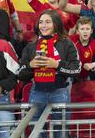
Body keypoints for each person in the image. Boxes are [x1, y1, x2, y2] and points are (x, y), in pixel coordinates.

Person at [18, 10, 81, 138]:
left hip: (60, 92)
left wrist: (57, 65)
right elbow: (20, 73)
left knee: (60, 130)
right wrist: (31, 66)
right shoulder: (31, 46)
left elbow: (76, 70)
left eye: (48, 22)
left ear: (56, 24)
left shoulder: (67, 43)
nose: (43, 25)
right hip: (37, 93)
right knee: (36, 129)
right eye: (41, 22)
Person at [70, 16, 95, 81]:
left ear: (91, 31)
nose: (85, 31)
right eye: (82, 29)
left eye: (87, 29)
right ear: (77, 31)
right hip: (70, 76)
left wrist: (93, 65)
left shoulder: (94, 43)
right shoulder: (71, 40)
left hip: (85, 77)